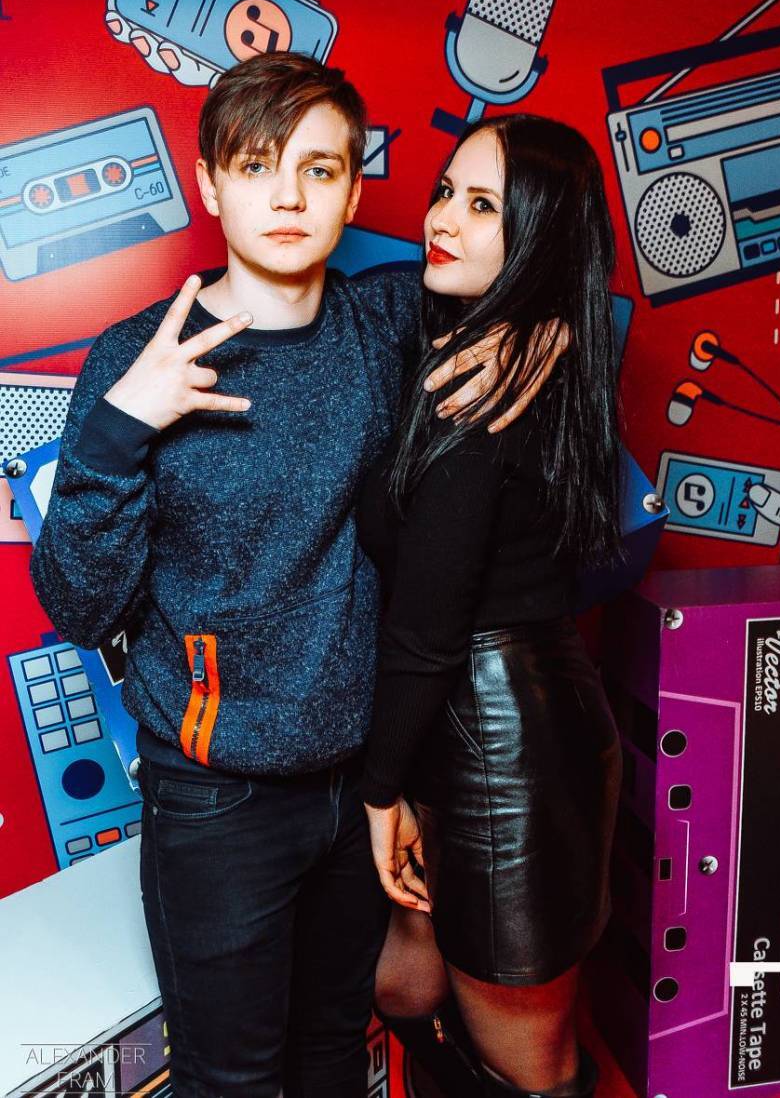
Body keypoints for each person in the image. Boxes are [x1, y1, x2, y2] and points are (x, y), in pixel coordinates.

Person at [30, 55, 568, 1098]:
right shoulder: (138, 357)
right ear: (207, 184)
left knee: (332, 1054)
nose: (287, 196)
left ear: (354, 192)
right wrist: (116, 435)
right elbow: (80, 607)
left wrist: (542, 330)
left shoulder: (391, 325)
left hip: (363, 789)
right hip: (216, 798)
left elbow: (530, 263)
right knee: (231, 1079)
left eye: (318, 170)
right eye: (256, 165)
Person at [357, 115, 625, 1098]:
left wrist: (380, 794)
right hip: (479, 723)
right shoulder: (493, 349)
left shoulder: (487, 390)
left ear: (540, 238)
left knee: (533, 1068)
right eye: (446, 192)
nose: (442, 220)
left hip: (502, 748)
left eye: (483, 206)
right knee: (404, 985)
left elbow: (429, 628)